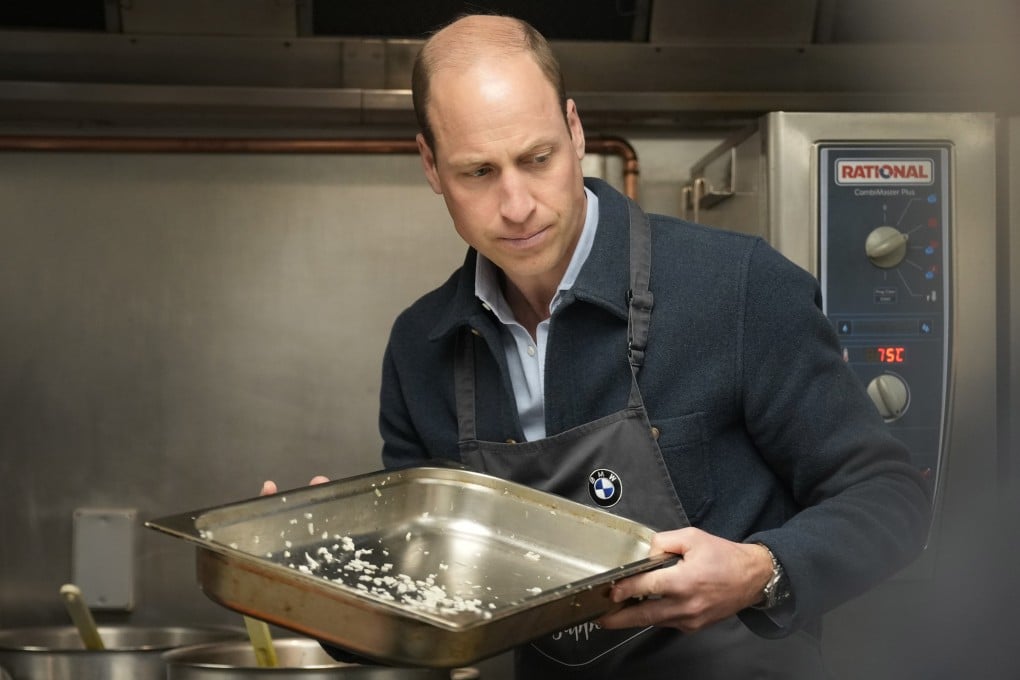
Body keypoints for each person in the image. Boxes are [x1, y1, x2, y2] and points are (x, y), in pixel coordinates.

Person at [281, 13, 931, 679]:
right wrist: (336, 591)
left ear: (574, 128)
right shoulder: (422, 348)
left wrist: (760, 570)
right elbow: (425, 607)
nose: (516, 204)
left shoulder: (738, 288)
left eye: (538, 159)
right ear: (429, 166)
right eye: (478, 172)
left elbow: (890, 497)